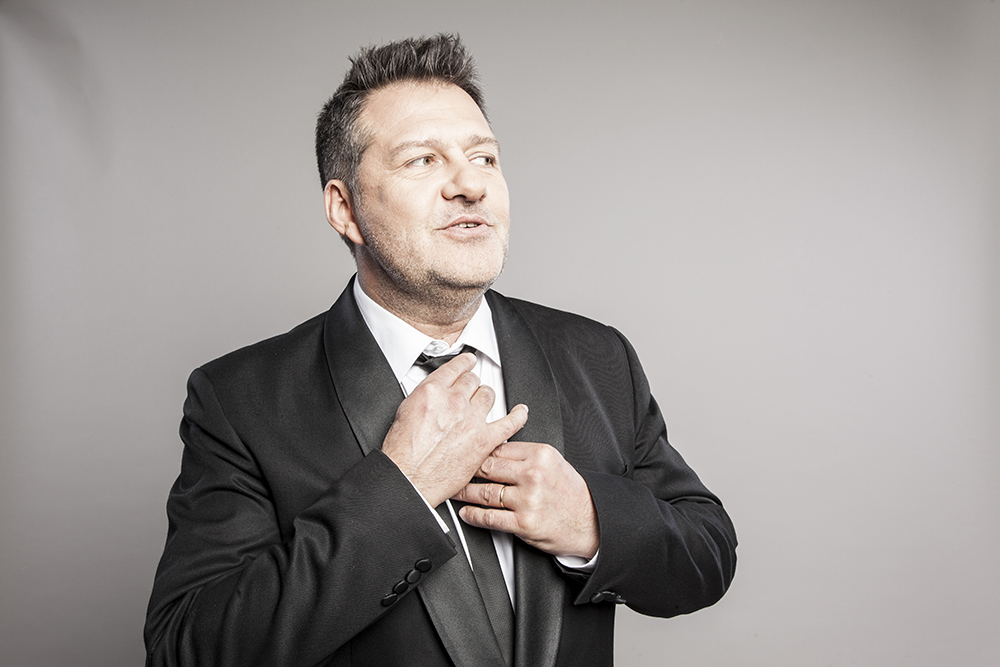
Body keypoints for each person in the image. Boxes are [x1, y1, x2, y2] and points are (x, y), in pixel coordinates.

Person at [144, 34, 737, 667]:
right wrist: (399, 490)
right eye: (423, 160)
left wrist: (591, 521)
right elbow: (189, 650)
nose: (470, 185)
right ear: (344, 208)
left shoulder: (598, 357)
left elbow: (707, 556)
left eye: (484, 158)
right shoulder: (240, 400)